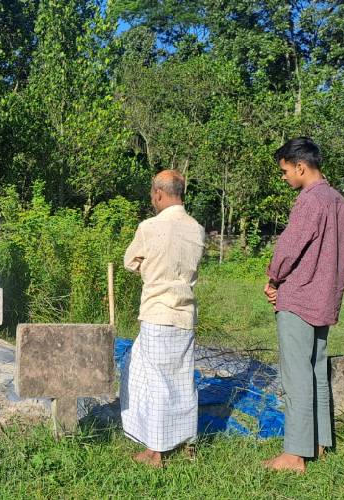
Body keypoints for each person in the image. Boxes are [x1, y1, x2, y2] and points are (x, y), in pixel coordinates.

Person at [263, 137, 344, 474]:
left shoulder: (309, 201)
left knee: (296, 375)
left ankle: (294, 455)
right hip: (325, 296)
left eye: (285, 171)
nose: (284, 177)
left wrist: (273, 279)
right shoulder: (338, 200)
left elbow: (289, 247)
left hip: (299, 297)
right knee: (316, 372)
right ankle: (318, 444)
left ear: (300, 166)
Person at [120, 170, 206, 468]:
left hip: (158, 311)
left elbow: (130, 262)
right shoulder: (197, 229)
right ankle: (187, 442)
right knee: (183, 379)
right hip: (185, 313)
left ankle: (155, 451)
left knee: (151, 380)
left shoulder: (150, 227)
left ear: (158, 193)